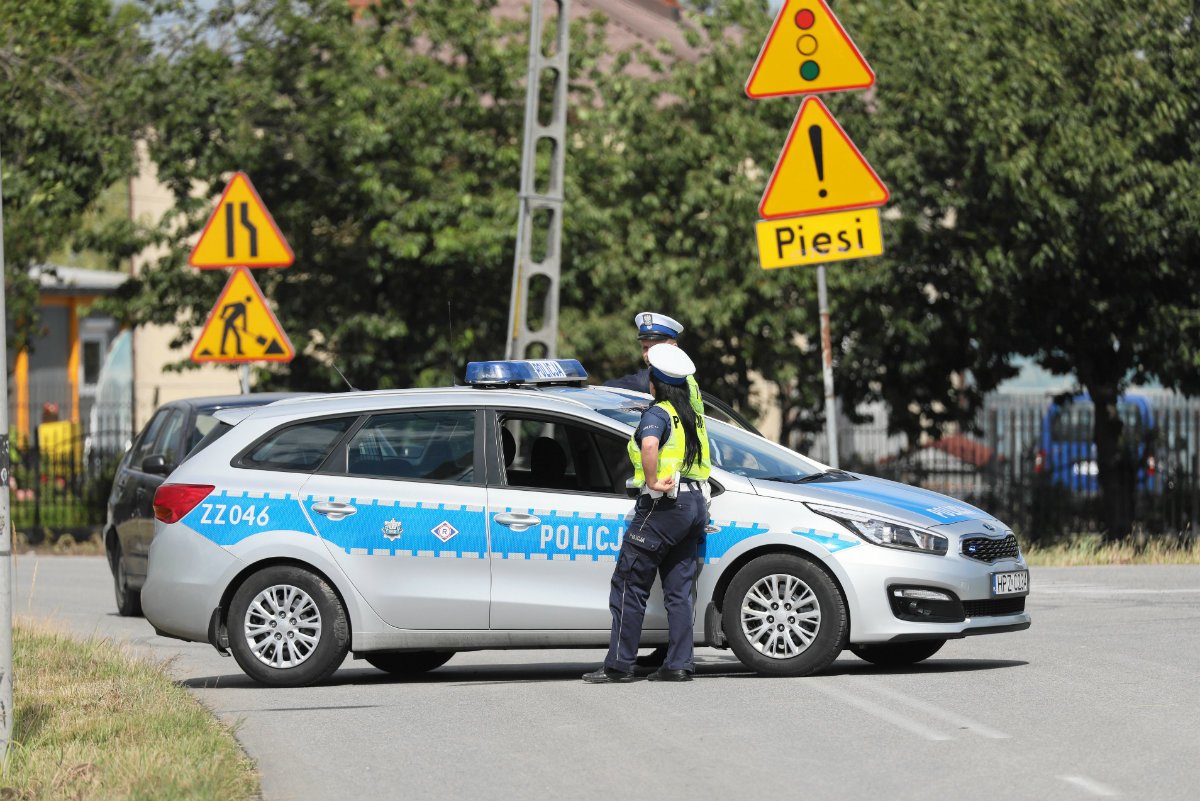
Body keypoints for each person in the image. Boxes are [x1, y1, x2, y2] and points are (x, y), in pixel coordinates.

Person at [583, 344, 712, 683]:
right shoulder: (689, 415)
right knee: (679, 590)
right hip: (694, 505)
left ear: (655, 383)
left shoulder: (657, 413)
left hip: (663, 504)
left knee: (628, 582)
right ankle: (679, 664)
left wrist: (652, 480)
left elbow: (650, 445)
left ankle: (619, 666)